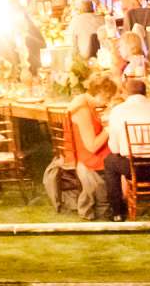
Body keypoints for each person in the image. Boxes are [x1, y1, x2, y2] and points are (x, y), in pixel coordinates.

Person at [44, 73, 117, 218]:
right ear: (101, 94)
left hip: (79, 148)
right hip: (83, 155)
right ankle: (116, 202)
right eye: (108, 98)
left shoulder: (82, 100)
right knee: (119, 155)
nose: (108, 102)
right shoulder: (82, 110)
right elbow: (92, 146)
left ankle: (116, 200)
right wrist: (109, 128)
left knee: (117, 150)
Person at [102, 77, 150, 197]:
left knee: (109, 161)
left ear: (126, 93)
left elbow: (115, 149)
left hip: (134, 168)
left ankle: (117, 211)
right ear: (145, 92)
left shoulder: (117, 111)